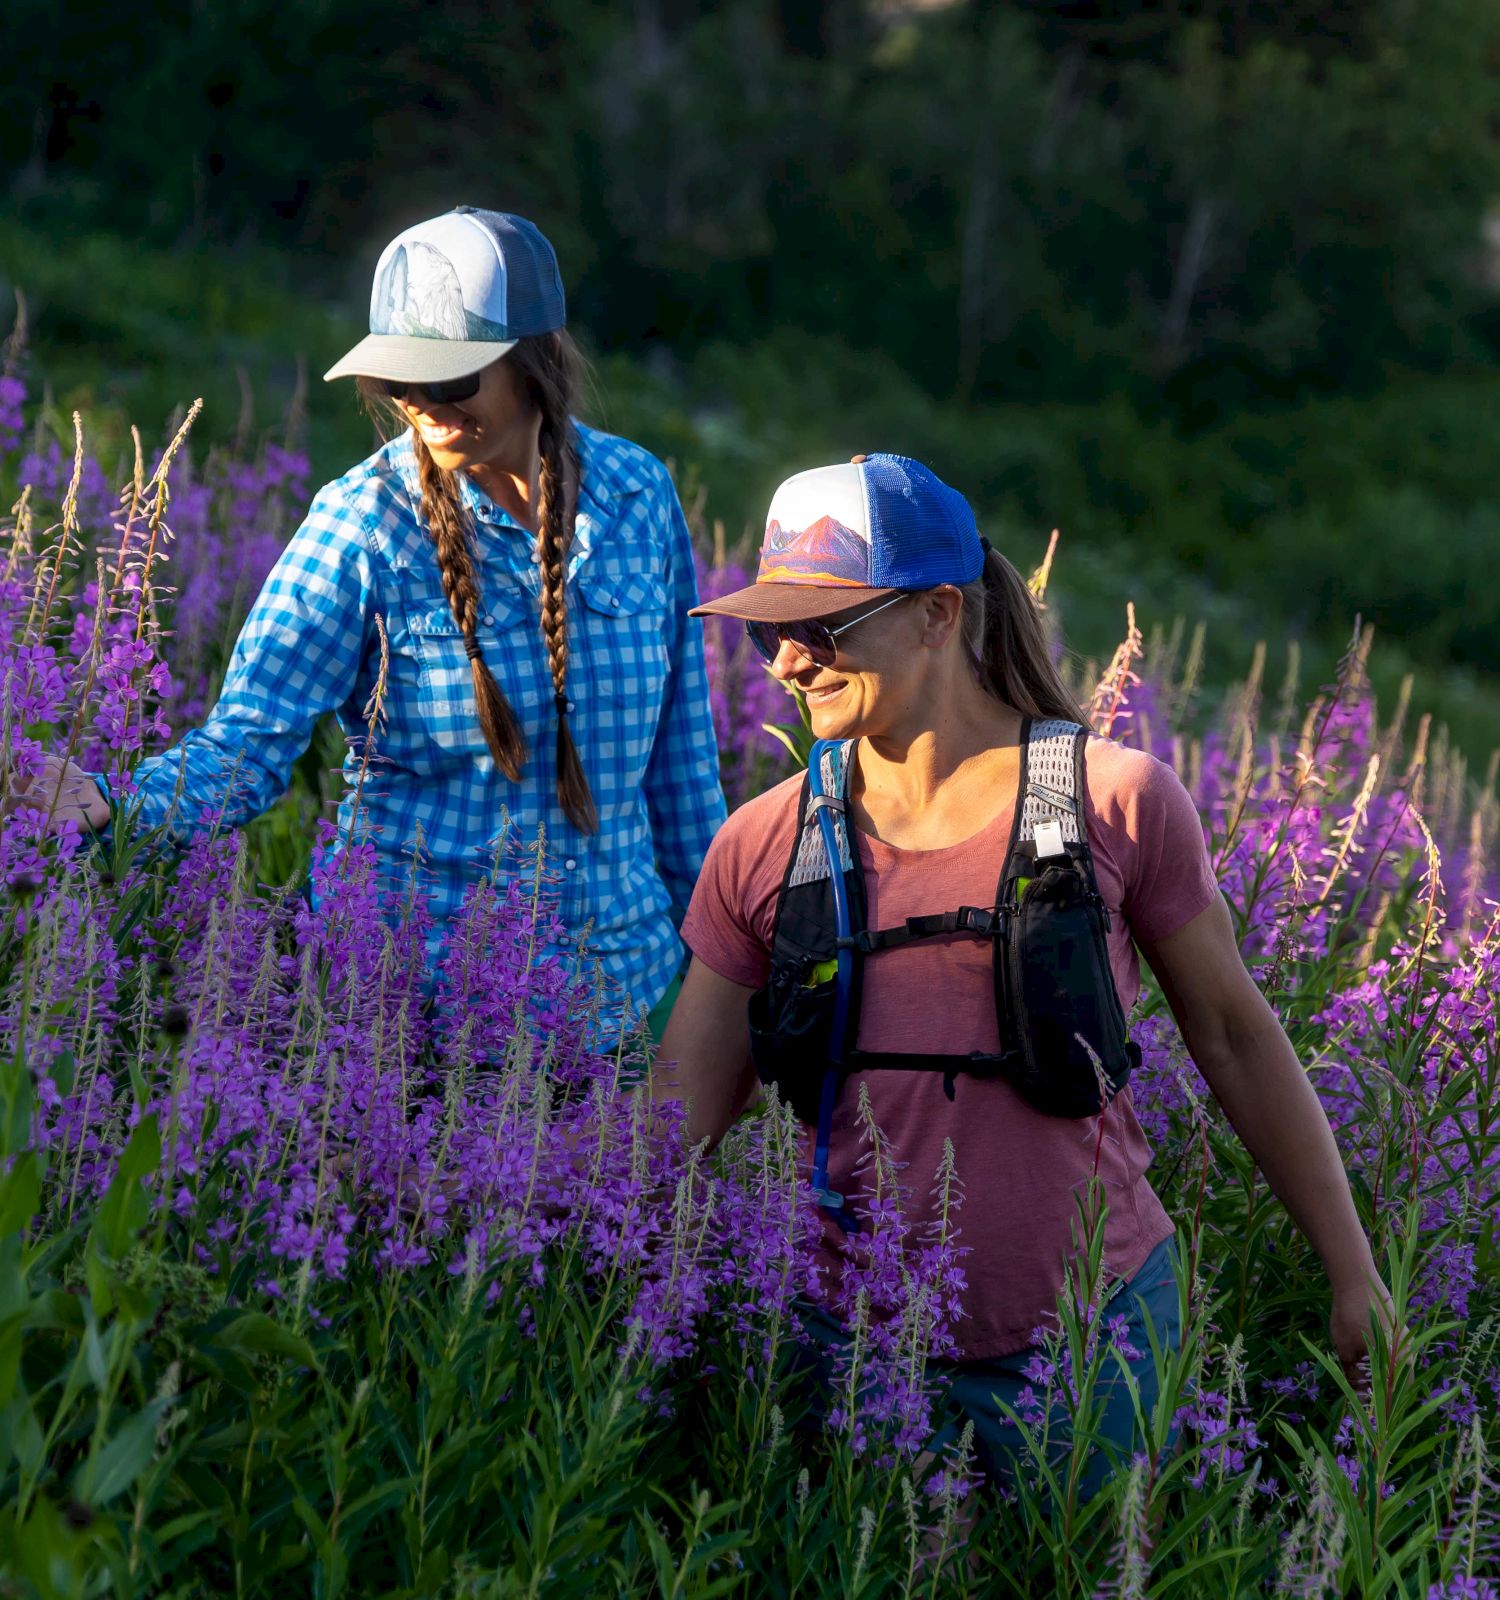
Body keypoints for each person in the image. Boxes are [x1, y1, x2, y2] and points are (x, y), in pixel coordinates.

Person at [652, 451, 1399, 1495]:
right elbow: (674, 1112)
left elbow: (1232, 1035)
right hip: (848, 1346)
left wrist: (1352, 1268)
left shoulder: (1116, 799)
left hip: (1093, 1348)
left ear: (938, 614)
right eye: (769, 631)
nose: (785, 662)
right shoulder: (763, 843)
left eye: (822, 627)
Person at [24, 207, 725, 1029]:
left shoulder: (639, 497)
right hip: (409, 1021)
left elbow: (683, 773)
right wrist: (117, 803)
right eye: (400, 379)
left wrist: (729, 978)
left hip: (621, 1004)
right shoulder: (361, 524)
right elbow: (248, 742)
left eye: (453, 380)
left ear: (540, 357)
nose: (422, 405)